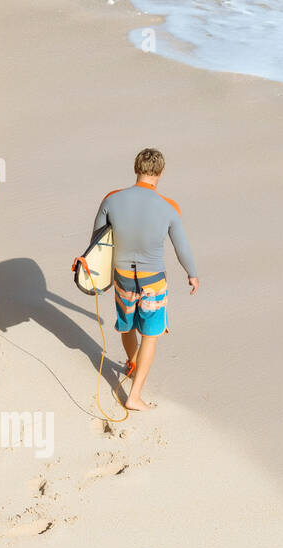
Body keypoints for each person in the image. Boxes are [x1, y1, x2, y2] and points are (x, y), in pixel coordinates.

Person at [93, 148, 198, 410]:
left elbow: (96, 242)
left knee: (127, 327)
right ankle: (135, 396)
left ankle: (132, 363)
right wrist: (192, 274)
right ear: (160, 173)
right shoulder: (170, 207)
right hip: (153, 282)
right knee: (150, 336)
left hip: (123, 277)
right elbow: (181, 248)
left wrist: (97, 278)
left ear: (136, 169)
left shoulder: (111, 200)